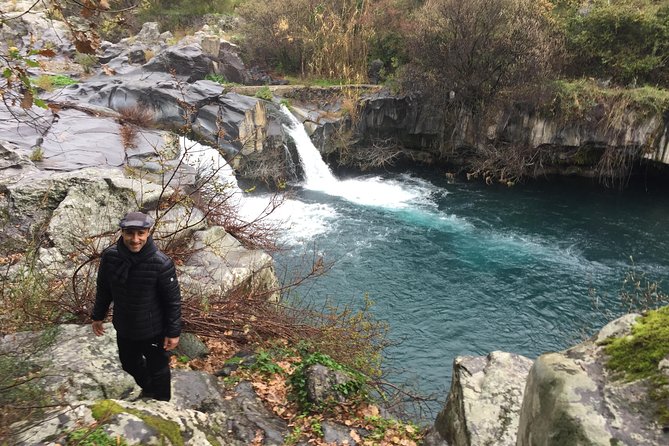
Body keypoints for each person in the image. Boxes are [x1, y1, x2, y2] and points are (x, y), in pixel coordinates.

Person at [91, 211, 182, 401]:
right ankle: (149, 390)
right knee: (129, 365)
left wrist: (173, 332)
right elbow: (104, 288)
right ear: (122, 233)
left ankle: (163, 405)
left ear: (148, 233)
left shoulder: (161, 263)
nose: (135, 239)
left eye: (140, 233)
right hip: (125, 327)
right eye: (130, 233)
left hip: (154, 330)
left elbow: (172, 301)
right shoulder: (110, 257)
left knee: (159, 370)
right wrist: (98, 316)